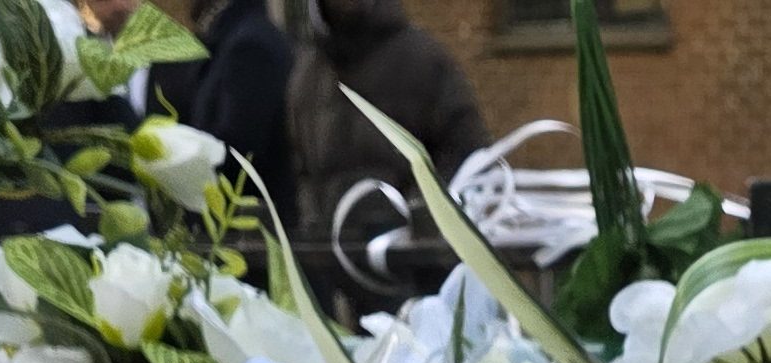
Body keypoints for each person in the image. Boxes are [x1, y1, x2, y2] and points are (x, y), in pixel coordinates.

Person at [287, 0, 488, 275]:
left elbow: (470, 158)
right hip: (333, 270)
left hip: (413, 274)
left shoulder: (423, 61)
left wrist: (419, 223)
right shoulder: (308, 73)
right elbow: (300, 169)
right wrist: (314, 227)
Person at [84, 0, 301, 230]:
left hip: (244, 233)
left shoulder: (249, 45)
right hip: (221, 228)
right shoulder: (223, 39)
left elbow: (237, 152)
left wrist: (165, 155)